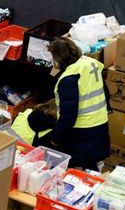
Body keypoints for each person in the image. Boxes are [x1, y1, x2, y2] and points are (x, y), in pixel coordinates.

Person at [47, 38, 109, 170]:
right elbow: (105, 91)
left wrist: (55, 137)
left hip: (82, 133)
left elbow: (68, 115)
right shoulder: (90, 64)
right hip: (101, 124)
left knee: (81, 170)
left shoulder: (69, 78)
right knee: (93, 166)